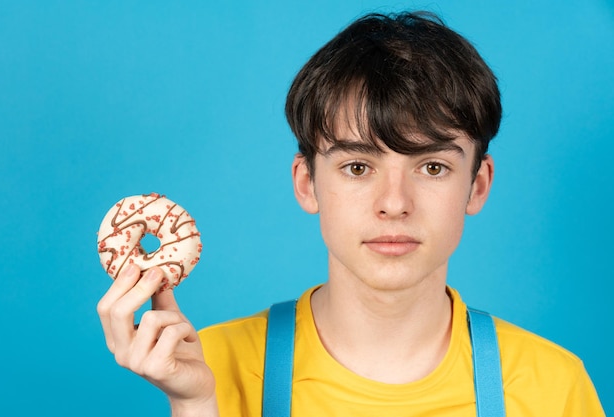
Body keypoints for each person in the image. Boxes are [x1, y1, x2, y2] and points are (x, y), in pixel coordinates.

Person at [97, 11, 605, 417]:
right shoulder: (210, 363)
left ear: (477, 185)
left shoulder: (553, 387)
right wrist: (194, 405)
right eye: (358, 166)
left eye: (431, 167)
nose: (394, 202)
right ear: (307, 182)